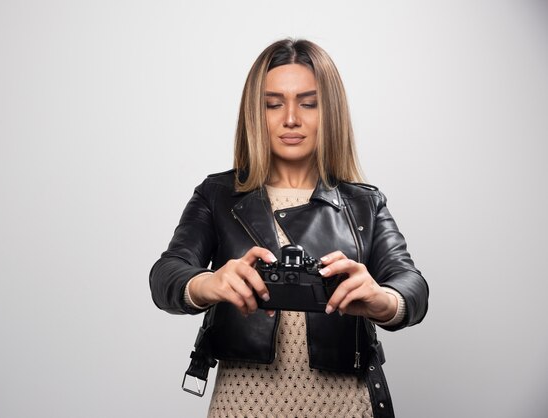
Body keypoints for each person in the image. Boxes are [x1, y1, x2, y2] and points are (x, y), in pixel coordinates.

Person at [149, 38, 429, 418]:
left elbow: (411, 285)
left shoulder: (365, 203)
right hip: (241, 407)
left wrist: (383, 299)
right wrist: (206, 284)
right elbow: (166, 273)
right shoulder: (218, 195)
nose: (291, 119)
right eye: (273, 104)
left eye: (309, 103)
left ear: (330, 112)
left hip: (347, 408)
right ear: (255, 112)